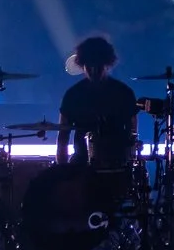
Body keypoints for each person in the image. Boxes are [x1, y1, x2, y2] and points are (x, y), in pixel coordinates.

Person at [57, 36, 139, 169]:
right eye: (90, 66)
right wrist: (62, 171)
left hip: (117, 165)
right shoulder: (73, 95)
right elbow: (63, 136)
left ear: (106, 64)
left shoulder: (124, 93)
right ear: (82, 66)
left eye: (98, 66)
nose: (94, 71)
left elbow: (132, 134)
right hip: (83, 166)